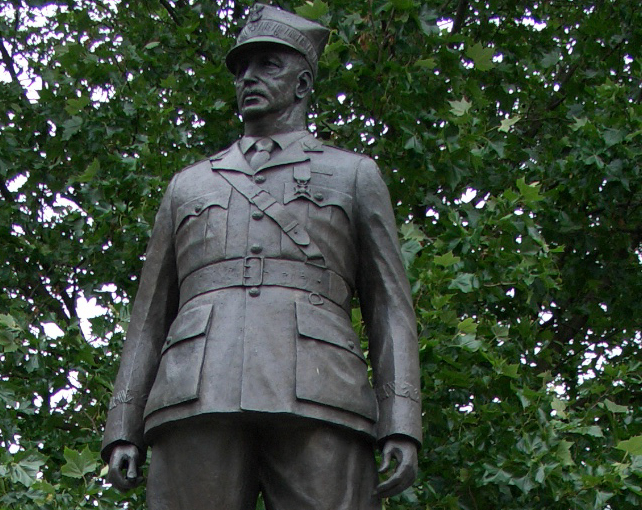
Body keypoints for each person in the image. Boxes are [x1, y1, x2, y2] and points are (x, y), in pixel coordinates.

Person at [102, 5, 421, 509]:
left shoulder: (353, 175)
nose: (249, 78)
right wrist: (122, 425)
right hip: (196, 391)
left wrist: (402, 419)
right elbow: (148, 316)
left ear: (302, 83)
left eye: (268, 65)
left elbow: (390, 307)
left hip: (321, 393)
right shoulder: (188, 185)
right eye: (242, 69)